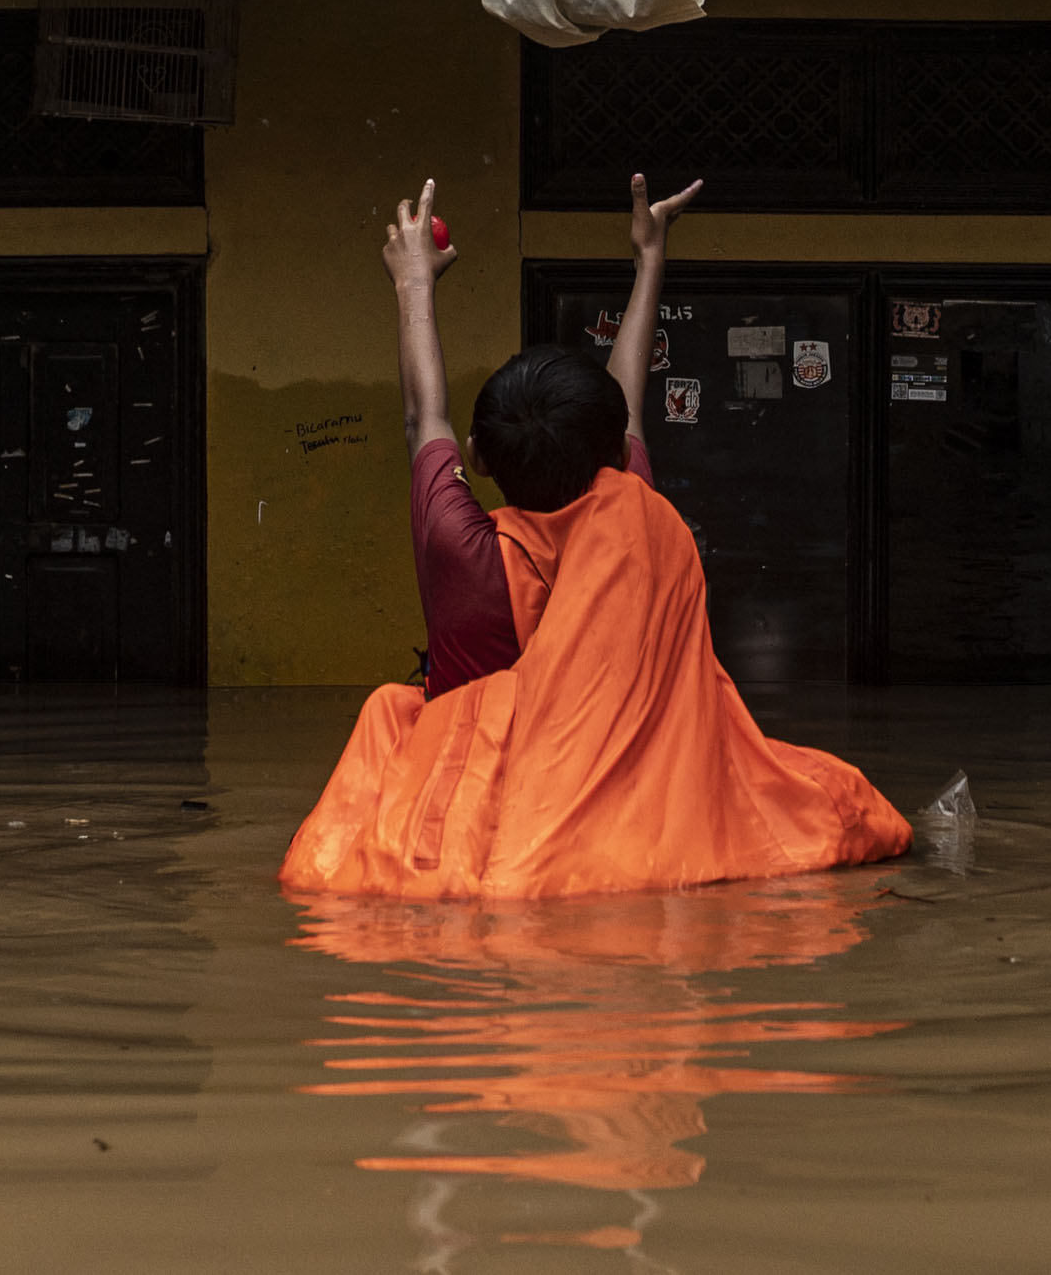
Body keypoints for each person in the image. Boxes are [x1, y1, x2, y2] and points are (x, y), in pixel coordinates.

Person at [281, 171, 910, 901]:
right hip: (622, 810)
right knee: (824, 795)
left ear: (478, 459)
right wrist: (650, 260)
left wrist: (413, 282)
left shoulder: (464, 553)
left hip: (459, 817)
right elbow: (629, 402)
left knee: (393, 719)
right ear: (612, 458)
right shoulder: (630, 517)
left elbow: (425, 417)